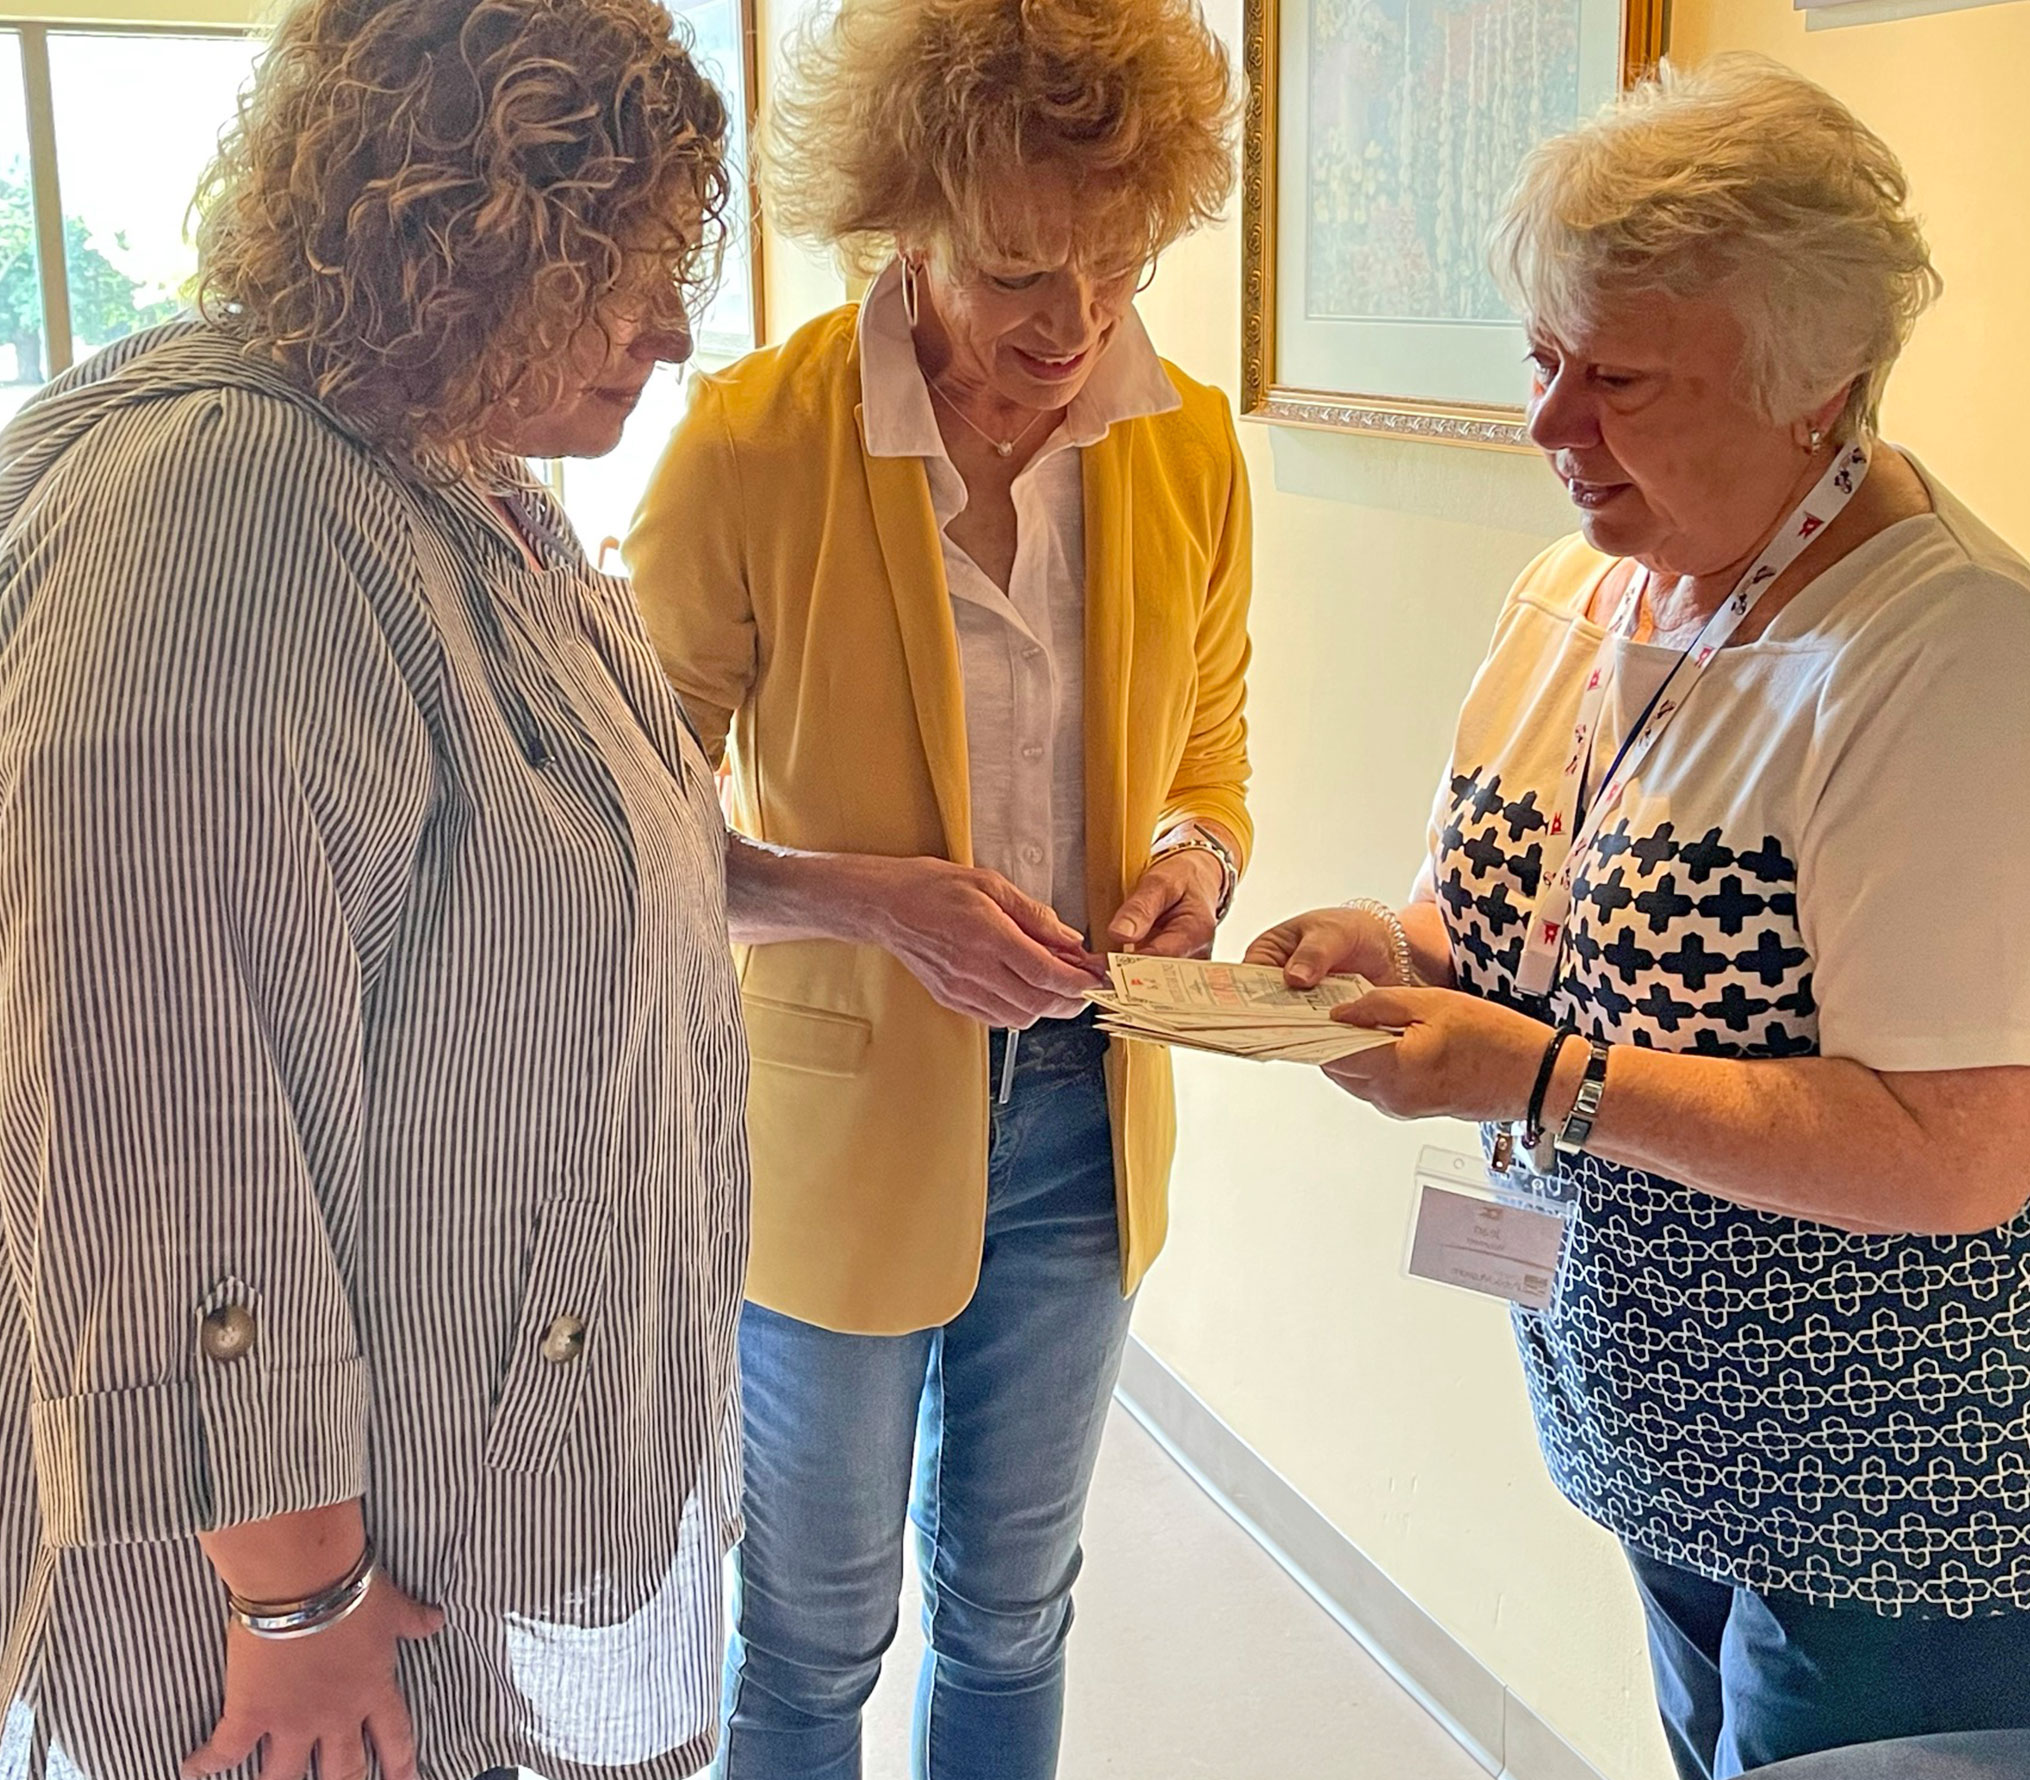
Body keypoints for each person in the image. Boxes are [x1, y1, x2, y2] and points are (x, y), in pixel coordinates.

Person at [1247, 56, 2030, 1780]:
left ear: (1811, 387)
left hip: (1887, 1499)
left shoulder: (1949, 659)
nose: (1547, 426)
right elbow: (1511, 927)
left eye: (1618, 378)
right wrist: (1388, 951)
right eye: (1539, 358)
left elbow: (1958, 1155)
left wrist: (1534, 1082)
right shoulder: (1579, 588)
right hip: (1647, 1417)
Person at [0, 2, 748, 1776]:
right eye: (616, 265)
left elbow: (555, 858)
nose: (667, 323)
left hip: (459, 1459)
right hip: (304, 1588)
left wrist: (863, 905)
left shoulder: (449, 466)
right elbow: (147, 1099)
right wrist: (294, 1604)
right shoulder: (222, 512)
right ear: (456, 243)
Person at [624, 0, 1250, 1773]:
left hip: (1085, 1113)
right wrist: (868, 900)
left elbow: (1214, 751)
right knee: (814, 1634)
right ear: (904, 219)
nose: (1073, 324)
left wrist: (1194, 866)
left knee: (1012, 1607)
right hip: (831, 1121)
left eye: (1117, 265)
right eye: (1015, 274)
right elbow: (614, 831)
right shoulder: (751, 444)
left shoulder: (1183, 444)